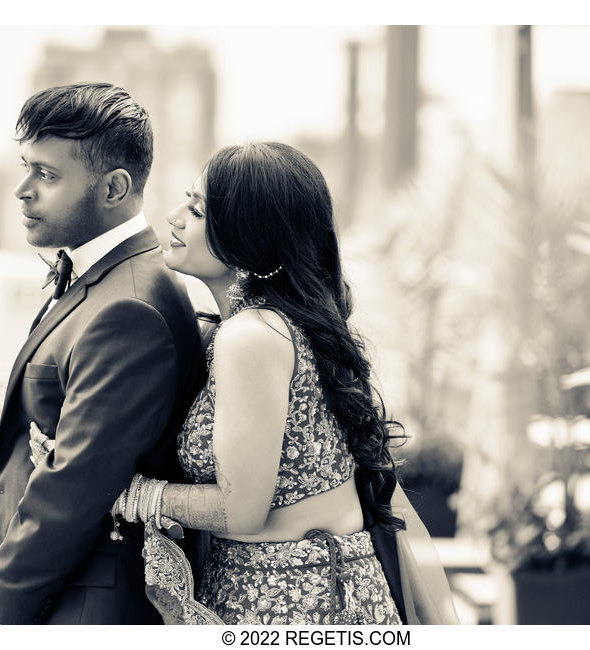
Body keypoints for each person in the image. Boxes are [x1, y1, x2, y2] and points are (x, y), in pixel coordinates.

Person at [31, 141, 435, 624]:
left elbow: (242, 509)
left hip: (295, 606)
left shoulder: (252, 337)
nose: (176, 216)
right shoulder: (261, 327)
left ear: (249, 236)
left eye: (198, 210)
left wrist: (120, 492)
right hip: (291, 592)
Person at [0, 82, 206, 624]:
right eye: (26, 166)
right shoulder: (103, 278)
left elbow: (70, 491)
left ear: (114, 189)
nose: (23, 189)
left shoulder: (130, 307)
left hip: (89, 605)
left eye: (47, 174)